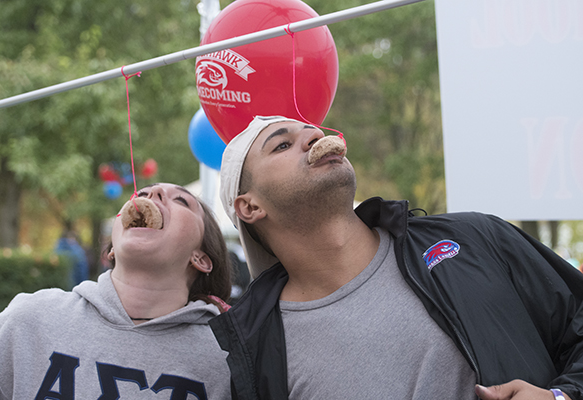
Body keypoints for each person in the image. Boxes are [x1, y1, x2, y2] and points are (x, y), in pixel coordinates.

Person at [209, 116, 583, 400]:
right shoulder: (250, 352)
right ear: (250, 206)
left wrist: (560, 396)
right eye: (281, 146)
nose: (314, 136)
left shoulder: (472, 238)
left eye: (313, 131)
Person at [0, 183, 232, 399]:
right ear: (112, 250)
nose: (151, 194)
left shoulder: (229, 358)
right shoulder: (27, 321)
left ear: (201, 258)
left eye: (181, 200)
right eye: (142, 193)